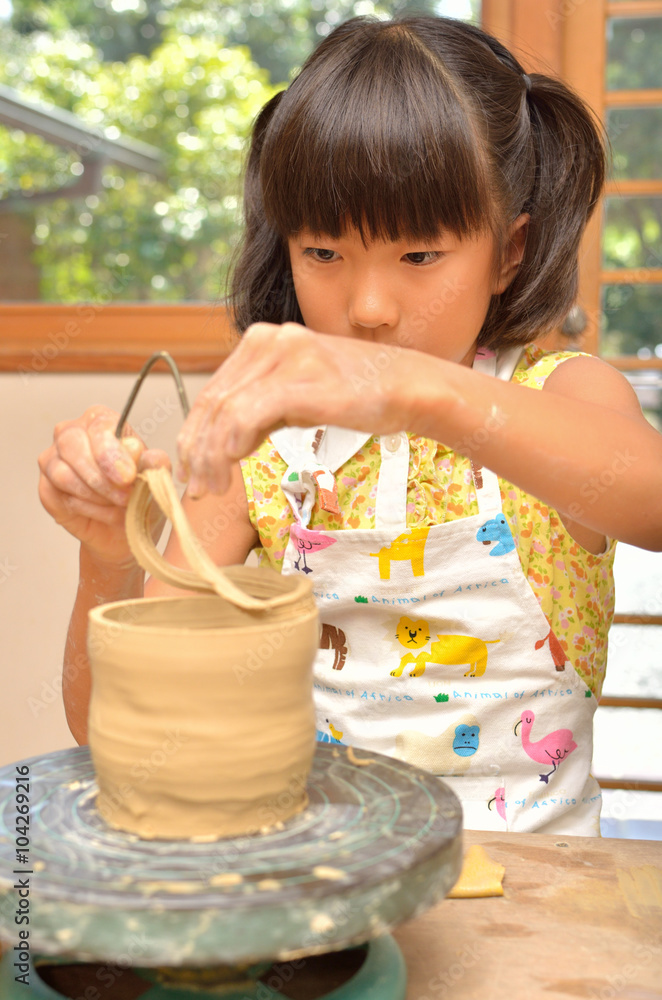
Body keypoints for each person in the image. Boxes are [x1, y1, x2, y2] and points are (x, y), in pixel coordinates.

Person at [39, 15, 662, 835]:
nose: (368, 308)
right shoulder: (266, 456)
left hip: (540, 900)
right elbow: (118, 736)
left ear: (509, 252)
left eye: (419, 257)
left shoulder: (568, 396)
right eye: (324, 254)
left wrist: (418, 390)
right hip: (329, 886)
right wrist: (109, 557)